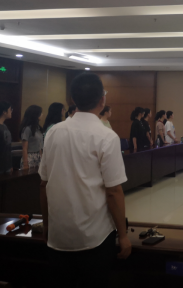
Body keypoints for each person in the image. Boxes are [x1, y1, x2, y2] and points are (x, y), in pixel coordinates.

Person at [39, 73, 130, 288]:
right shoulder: (107, 136)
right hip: (95, 238)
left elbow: (44, 184)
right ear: (102, 100)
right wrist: (123, 236)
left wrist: (47, 225)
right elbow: (113, 191)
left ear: (72, 99)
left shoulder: (53, 133)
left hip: (58, 236)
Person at [19, 105, 44, 170]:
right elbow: (24, 148)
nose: (42, 115)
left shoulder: (38, 129)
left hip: (38, 156)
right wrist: (25, 163)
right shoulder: (27, 129)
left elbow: (40, 145)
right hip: (30, 157)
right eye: (40, 113)